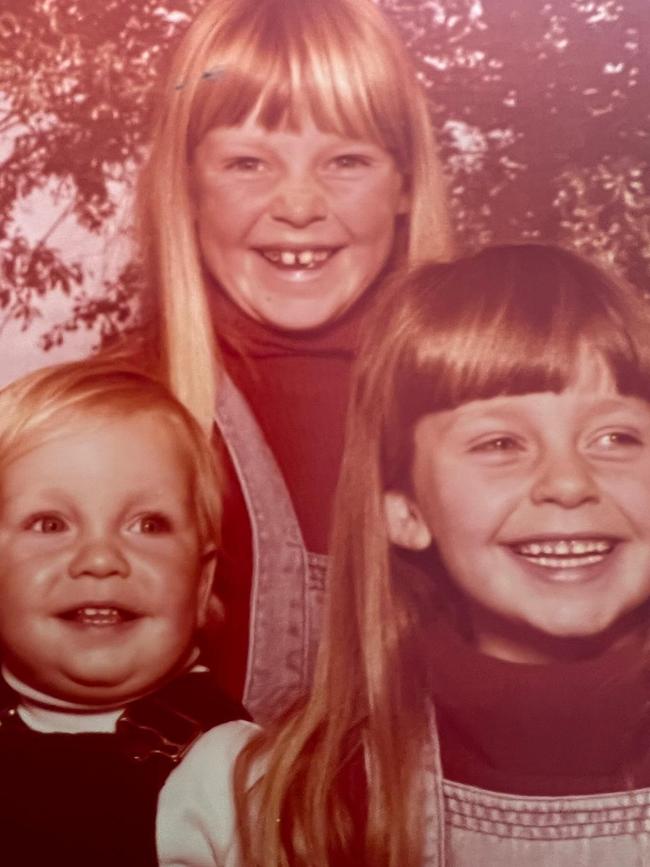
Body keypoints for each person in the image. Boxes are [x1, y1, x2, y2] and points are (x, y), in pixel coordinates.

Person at [158, 244, 650, 867]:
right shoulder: (275, 801)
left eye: (615, 437)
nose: (570, 482)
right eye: (501, 442)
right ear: (405, 510)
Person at [135, 0, 453, 722]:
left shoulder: (495, 410)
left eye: (347, 160)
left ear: (404, 184)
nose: (301, 205)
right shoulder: (123, 410)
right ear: (186, 186)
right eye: (248, 161)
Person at [0, 360, 245, 867]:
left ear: (201, 584)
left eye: (148, 524)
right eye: (49, 524)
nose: (100, 560)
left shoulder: (231, 771)